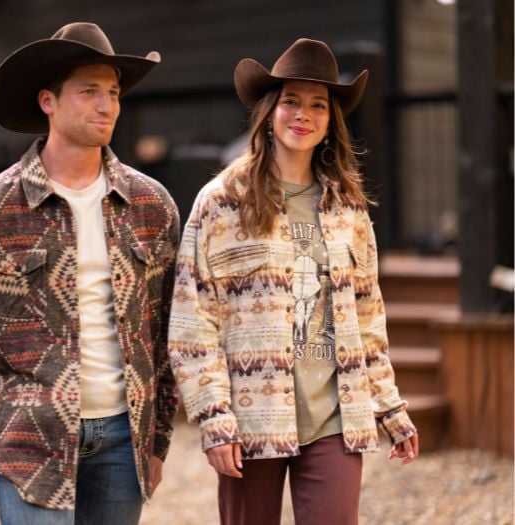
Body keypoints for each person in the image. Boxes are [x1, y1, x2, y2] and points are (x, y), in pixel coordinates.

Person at [0, 22, 180, 525]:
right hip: (26, 436)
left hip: (124, 439)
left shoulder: (151, 205)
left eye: (113, 93)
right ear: (48, 102)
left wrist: (157, 437)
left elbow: (167, 330)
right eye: (88, 92)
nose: (106, 106)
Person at [167, 38, 419, 525]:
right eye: (291, 101)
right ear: (268, 111)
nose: (303, 114)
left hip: (335, 415)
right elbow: (193, 320)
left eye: (318, 105)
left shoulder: (348, 208)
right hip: (251, 414)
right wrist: (214, 418)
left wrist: (389, 407)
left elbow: (368, 318)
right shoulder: (221, 202)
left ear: (331, 122)